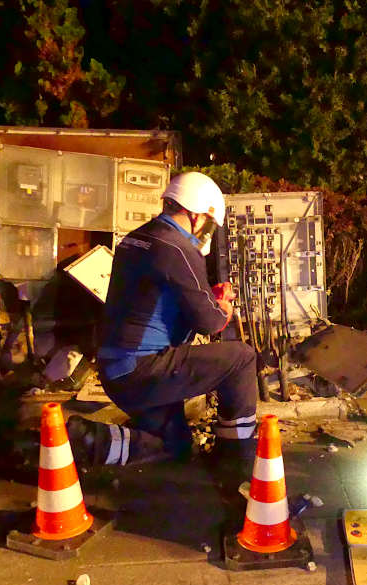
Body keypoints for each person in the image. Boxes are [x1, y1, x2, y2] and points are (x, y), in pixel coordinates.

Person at [67, 171, 258, 484]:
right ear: (197, 215)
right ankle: (235, 459)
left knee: (175, 448)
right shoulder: (178, 248)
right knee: (241, 358)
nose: (208, 233)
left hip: (118, 370)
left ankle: (86, 439)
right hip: (144, 371)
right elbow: (209, 322)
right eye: (210, 224)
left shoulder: (137, 238)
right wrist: (221, 306)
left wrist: (208, 300)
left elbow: (158, 300)